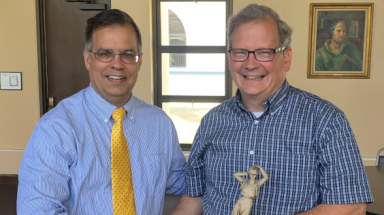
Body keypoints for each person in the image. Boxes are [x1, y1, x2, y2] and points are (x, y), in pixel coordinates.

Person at [171, 4, 373, 215]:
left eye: (264, 52)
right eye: (240, 52)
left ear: (286, 58)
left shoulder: (327, 121)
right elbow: (194, 197)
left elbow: (351, 206)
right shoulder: (212, 122)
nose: (250, 64)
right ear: (230, 59)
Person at [17, 9, 185, 215]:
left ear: (139, 61)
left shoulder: (159, 123)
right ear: (88, 59)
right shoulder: (56, 128)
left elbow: (180, 181)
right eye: (105, 53)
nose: (117, 64)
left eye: (128, 54)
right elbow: (37, 210)